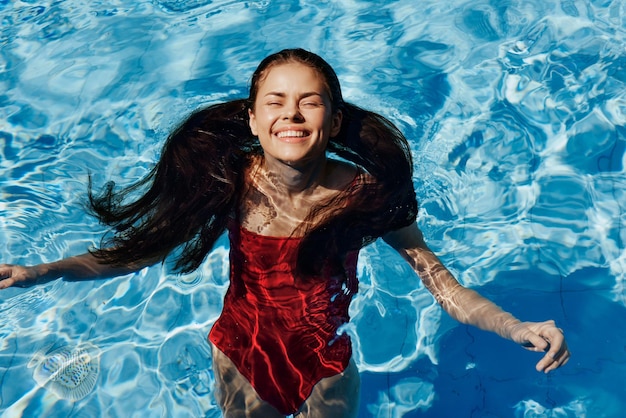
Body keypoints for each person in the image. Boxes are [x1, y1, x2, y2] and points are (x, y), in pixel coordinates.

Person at [0, 48, 569, 417]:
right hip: (240, 351)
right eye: (275, 102)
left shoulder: (365, 194)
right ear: (252, 119)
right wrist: (38, 273)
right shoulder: (225, 185)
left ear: (334, 121)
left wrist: (515, 326)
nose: (291, 114)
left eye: (308, 102)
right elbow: (136, 254)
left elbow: (441, 284)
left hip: (325, 357)